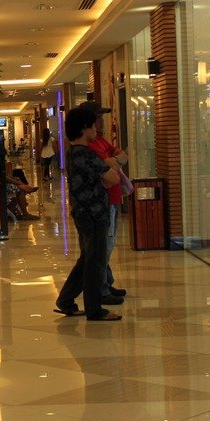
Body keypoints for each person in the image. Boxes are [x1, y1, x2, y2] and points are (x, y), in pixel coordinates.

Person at [54, 106, 121, 321]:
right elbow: (113, 178)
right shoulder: (86, 154)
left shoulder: (74, 154)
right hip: (94, 215)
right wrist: (109, 170)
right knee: (95, 262)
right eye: (93, 124)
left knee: (87, 259)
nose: (96, 128)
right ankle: (94, 309)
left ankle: (65, 300)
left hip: (84, 213)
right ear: (84, 128)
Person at [79, 101, 129, 302]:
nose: (101, 121)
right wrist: (113, 162)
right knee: (102, 247)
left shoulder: (101, 141)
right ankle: (100, 289)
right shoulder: (88, 145)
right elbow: (108, 171)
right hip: (102, 202)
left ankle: (106, 282)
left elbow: (122, 157)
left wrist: (114, 162)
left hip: (114, 199)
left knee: (107, 244)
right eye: (98, 118)